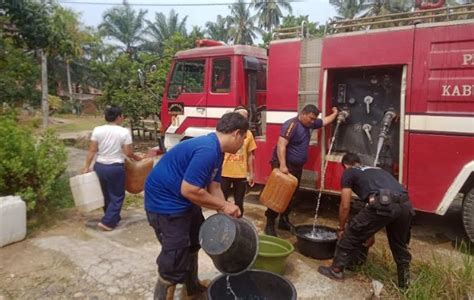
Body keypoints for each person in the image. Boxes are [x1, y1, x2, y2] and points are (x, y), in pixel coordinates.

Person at [144, 112, 245, 300]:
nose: (241, 146)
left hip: (184, 202)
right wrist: (224, 205)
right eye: (243, 139)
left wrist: (224, 210)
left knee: (193, 242)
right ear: (237, 134)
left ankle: (192, 289)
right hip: (165, 205)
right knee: (174, 257)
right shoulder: (207, 149)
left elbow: (213, 186)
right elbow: (189, 190)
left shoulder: (218, 152)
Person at [318, 153, 414, 289]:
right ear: (359, 162)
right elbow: (372, 210)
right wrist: (370, 233)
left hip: (383, 203)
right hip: (405, 204)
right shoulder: (377, 170)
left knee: (351, 232)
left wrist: (341, 228)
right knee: (399, 245)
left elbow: (345, 206)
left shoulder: (349, 172)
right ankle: (405, 284)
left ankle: (336, 270)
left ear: (345, 165)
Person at [264, 104, 338, 237]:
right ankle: (269, 224)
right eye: (310, 118)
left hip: (297, 167)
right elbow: (281, 144)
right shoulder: (291, 125)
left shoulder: (310, 124)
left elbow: (324, 121)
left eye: (314, 119)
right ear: (303, 114)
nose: (312, 121)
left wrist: (335, 113)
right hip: (285, 166)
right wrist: (283, 165)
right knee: (278, 195)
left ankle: (284, 220)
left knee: (291, 195)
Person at [82, 105, 142, 231]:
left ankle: (113, 217)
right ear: (119, 117)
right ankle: (108, 222)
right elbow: (128, 152)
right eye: (122, 115)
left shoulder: (97, 130)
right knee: (117, 195)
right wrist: (137, 159)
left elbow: (92, 150)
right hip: (115, 167)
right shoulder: (124, 132)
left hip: (100, 166)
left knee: (105, 194)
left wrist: (86, 166)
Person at [221, 107, 257, 216]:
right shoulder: (226, 132)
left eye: (245, 117)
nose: (242, 119)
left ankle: (238, 225)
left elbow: (250, 155)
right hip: (224, 173)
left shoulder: (248, 134)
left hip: (240, 174)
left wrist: (251, 173)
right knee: (222, 202)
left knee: (239, 203)